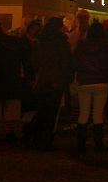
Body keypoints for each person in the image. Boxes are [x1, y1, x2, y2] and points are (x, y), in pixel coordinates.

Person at [29, 18, 74, 150]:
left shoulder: (40, 41)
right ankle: (46, 139)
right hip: (56, 81)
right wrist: (68, 77)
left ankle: (36, 136)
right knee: (52, 112)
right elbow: (67, 62)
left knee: (41, 109)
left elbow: (35, 62)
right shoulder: (61, 42)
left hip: (42, 80)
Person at [74, 22, 108, 153]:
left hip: (85, 81)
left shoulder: (81, 45)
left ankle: (81, 144)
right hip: (101, 81)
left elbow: (75, 62)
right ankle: (98, 143)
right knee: (98, 113)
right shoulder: (106, 47)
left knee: (83, 112)